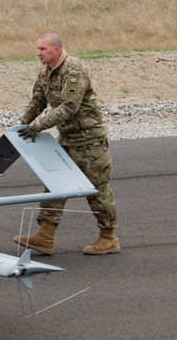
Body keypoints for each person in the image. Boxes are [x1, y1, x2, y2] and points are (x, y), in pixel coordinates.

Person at [14, 32, 120, 255]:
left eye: (42, 49)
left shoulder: (74, 70)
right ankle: (45, 236)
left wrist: (37, 127)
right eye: (37, 49)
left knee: (96, 190)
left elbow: (69, 107)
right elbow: (38, 100)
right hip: (67, 139)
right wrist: (21, 123)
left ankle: (109, 238)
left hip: (90, 140)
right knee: (55, 185)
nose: (38, 53)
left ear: (56, 49)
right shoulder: (45, 72)